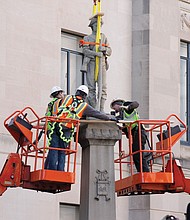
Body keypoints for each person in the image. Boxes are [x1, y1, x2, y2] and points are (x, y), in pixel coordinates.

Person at [46, 85, 116, 171]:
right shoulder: (84, 106)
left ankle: (51, 169)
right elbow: (97, 114)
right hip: (66, 127)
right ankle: (60, 170)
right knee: (62, 150)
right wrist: (109, 117)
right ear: (85, 96)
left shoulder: (67, 98)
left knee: (54, 148)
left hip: (55, 124)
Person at [80, 14, 112, 112]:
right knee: (92, 87)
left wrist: (104, 50)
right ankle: (94, 109)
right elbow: (85, 51)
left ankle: (101, 109)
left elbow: (110, 51)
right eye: (97, 24)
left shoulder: (103, 37)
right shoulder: (87, 38)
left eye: (100, 25)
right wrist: (96, 53)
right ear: (92, 25)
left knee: (103, 88)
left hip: (102, 63)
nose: (99, 27)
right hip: (92, 63)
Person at [110, 98, 150, 172]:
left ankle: (145, 172)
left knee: (138, 153)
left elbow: (136, 104)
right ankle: (141, 171)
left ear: (118, 105)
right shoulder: (123, 115)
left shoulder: (127, 108)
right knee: (136, 154)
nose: (115, 111)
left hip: (139, 132)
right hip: (136, 134)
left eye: (114, 108)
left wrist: (128, 107)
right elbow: (124, 125)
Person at [44, 86, 66, 169]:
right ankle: (54, 169)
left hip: (49, 128)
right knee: (56, 149)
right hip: (54, 128)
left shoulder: (50, 103)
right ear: (59, 93)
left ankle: (47, 167)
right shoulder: (58, 102)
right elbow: (55, 115)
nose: (63, 94)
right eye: (61, 93)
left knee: (52, 149)